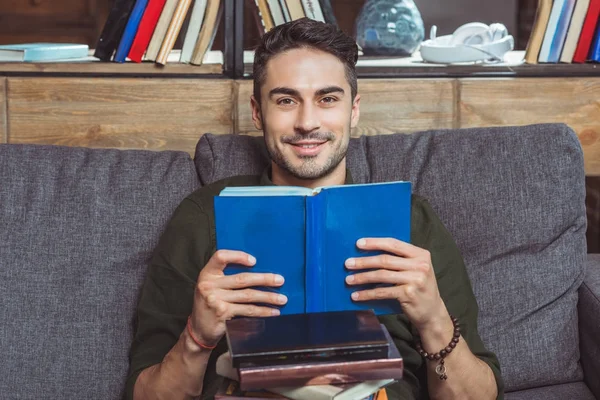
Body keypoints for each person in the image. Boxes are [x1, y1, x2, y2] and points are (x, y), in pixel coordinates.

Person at [125, 18, 504, 400]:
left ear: (353, 110)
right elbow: (145, 395)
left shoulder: (411, 220)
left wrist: (434, 319)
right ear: (258, 112)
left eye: (327, 99)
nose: (307, 122)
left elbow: (481, 395)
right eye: (286, 100)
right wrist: (198, 337)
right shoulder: (204, 215)